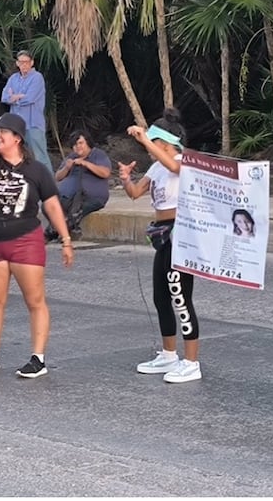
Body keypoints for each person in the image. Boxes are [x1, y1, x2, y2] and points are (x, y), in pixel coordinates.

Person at [0, 112, 74, 379]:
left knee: (34, 300)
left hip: (26, 240)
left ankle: (38, 357)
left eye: (3, 132)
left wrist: (66, 240)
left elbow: (52, 205)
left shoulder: (36, 170)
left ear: (17, 138)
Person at [117, 107, 202, 384]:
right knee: (161, 297)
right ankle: (168, 354)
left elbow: (175, 167)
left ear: (164, 143)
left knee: (180, 297)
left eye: (154, 142)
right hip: (162, 234)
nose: (149, 147)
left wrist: (144, 141)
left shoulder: (182, 160)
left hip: (182, 235)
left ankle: (192, 361)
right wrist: (125, 178)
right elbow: (134, 194)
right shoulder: (156, 166)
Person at [44, 129, 111, 241]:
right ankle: (66, 232)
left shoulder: (98, 154)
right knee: (48, 205)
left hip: (92, 197)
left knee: (76, 210)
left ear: (87, 143)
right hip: (69, 196)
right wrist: (67, 167)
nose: (78, 147)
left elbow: (105, 173)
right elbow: (58, 177)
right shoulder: (71, 157)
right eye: (75, 145)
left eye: (81, 143)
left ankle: (52, 233)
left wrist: (86, 163)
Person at [1, 49, 52, 172]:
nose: (24, 65)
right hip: (16, 126)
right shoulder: (13, 78)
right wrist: (19, 96)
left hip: (33, 124)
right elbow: (4, 97)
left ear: (32, 62)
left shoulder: (37, 77)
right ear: (17, 63)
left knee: (39, 157)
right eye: (21, 62)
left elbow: (30, 98)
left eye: (26, 62)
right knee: (19, 157)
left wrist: (15, 97)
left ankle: (49, 187)